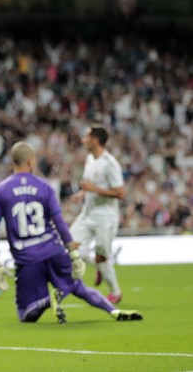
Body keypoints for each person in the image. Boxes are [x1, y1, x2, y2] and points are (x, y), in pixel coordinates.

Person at [0, 142, 142, 323]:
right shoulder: (45, 187)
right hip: (53, 251)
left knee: (25, 314)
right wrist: (73, 254)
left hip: (27, 258)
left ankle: (46, 301)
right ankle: (113, 311)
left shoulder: (1, 190)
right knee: (79, 287)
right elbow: (59, 223)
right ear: (30, 161)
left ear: (13, 162)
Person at [69, 125, 125, 304]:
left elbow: (120, 193)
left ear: (95, 140)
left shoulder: (110, 163)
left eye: (86, 137)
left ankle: (115, 291)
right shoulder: (89, 159)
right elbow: (88, 184)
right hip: (87, 214)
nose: (83, 140)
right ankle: (99, 266)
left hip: (105, 217)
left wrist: (94, 189)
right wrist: (83, 193)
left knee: (102, 255)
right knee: (70, 247)